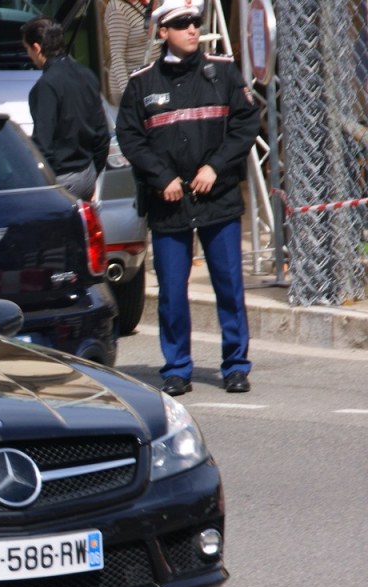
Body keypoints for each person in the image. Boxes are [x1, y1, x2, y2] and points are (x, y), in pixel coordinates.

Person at [116, 0, 261, 395]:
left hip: (218, 198)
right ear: (163, 32)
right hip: (170, 203)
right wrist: (162, 177)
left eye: (195, 22)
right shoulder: (142, 82)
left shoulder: (223, 72)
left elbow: (246, 123)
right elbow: (130, 137)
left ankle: (235, 365)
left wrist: (215, 167)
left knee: (229, 286)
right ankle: (177, 367)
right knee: (172, 293)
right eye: (181, 24)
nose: (192, 30)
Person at [21, 18, 110, 200]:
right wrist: (94, 173)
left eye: (27, 49)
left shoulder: (46, 86)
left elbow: (43, 144)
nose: (29, 55)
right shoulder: (86, 74)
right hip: (87, 174)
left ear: (37, 48)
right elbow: (102, 132)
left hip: (62, 180)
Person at [105, 0, 152, 106]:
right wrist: (128, 94)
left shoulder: (146, 3)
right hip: (131, 82)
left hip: (150, 79)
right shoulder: (117, 8)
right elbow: (117, 55)